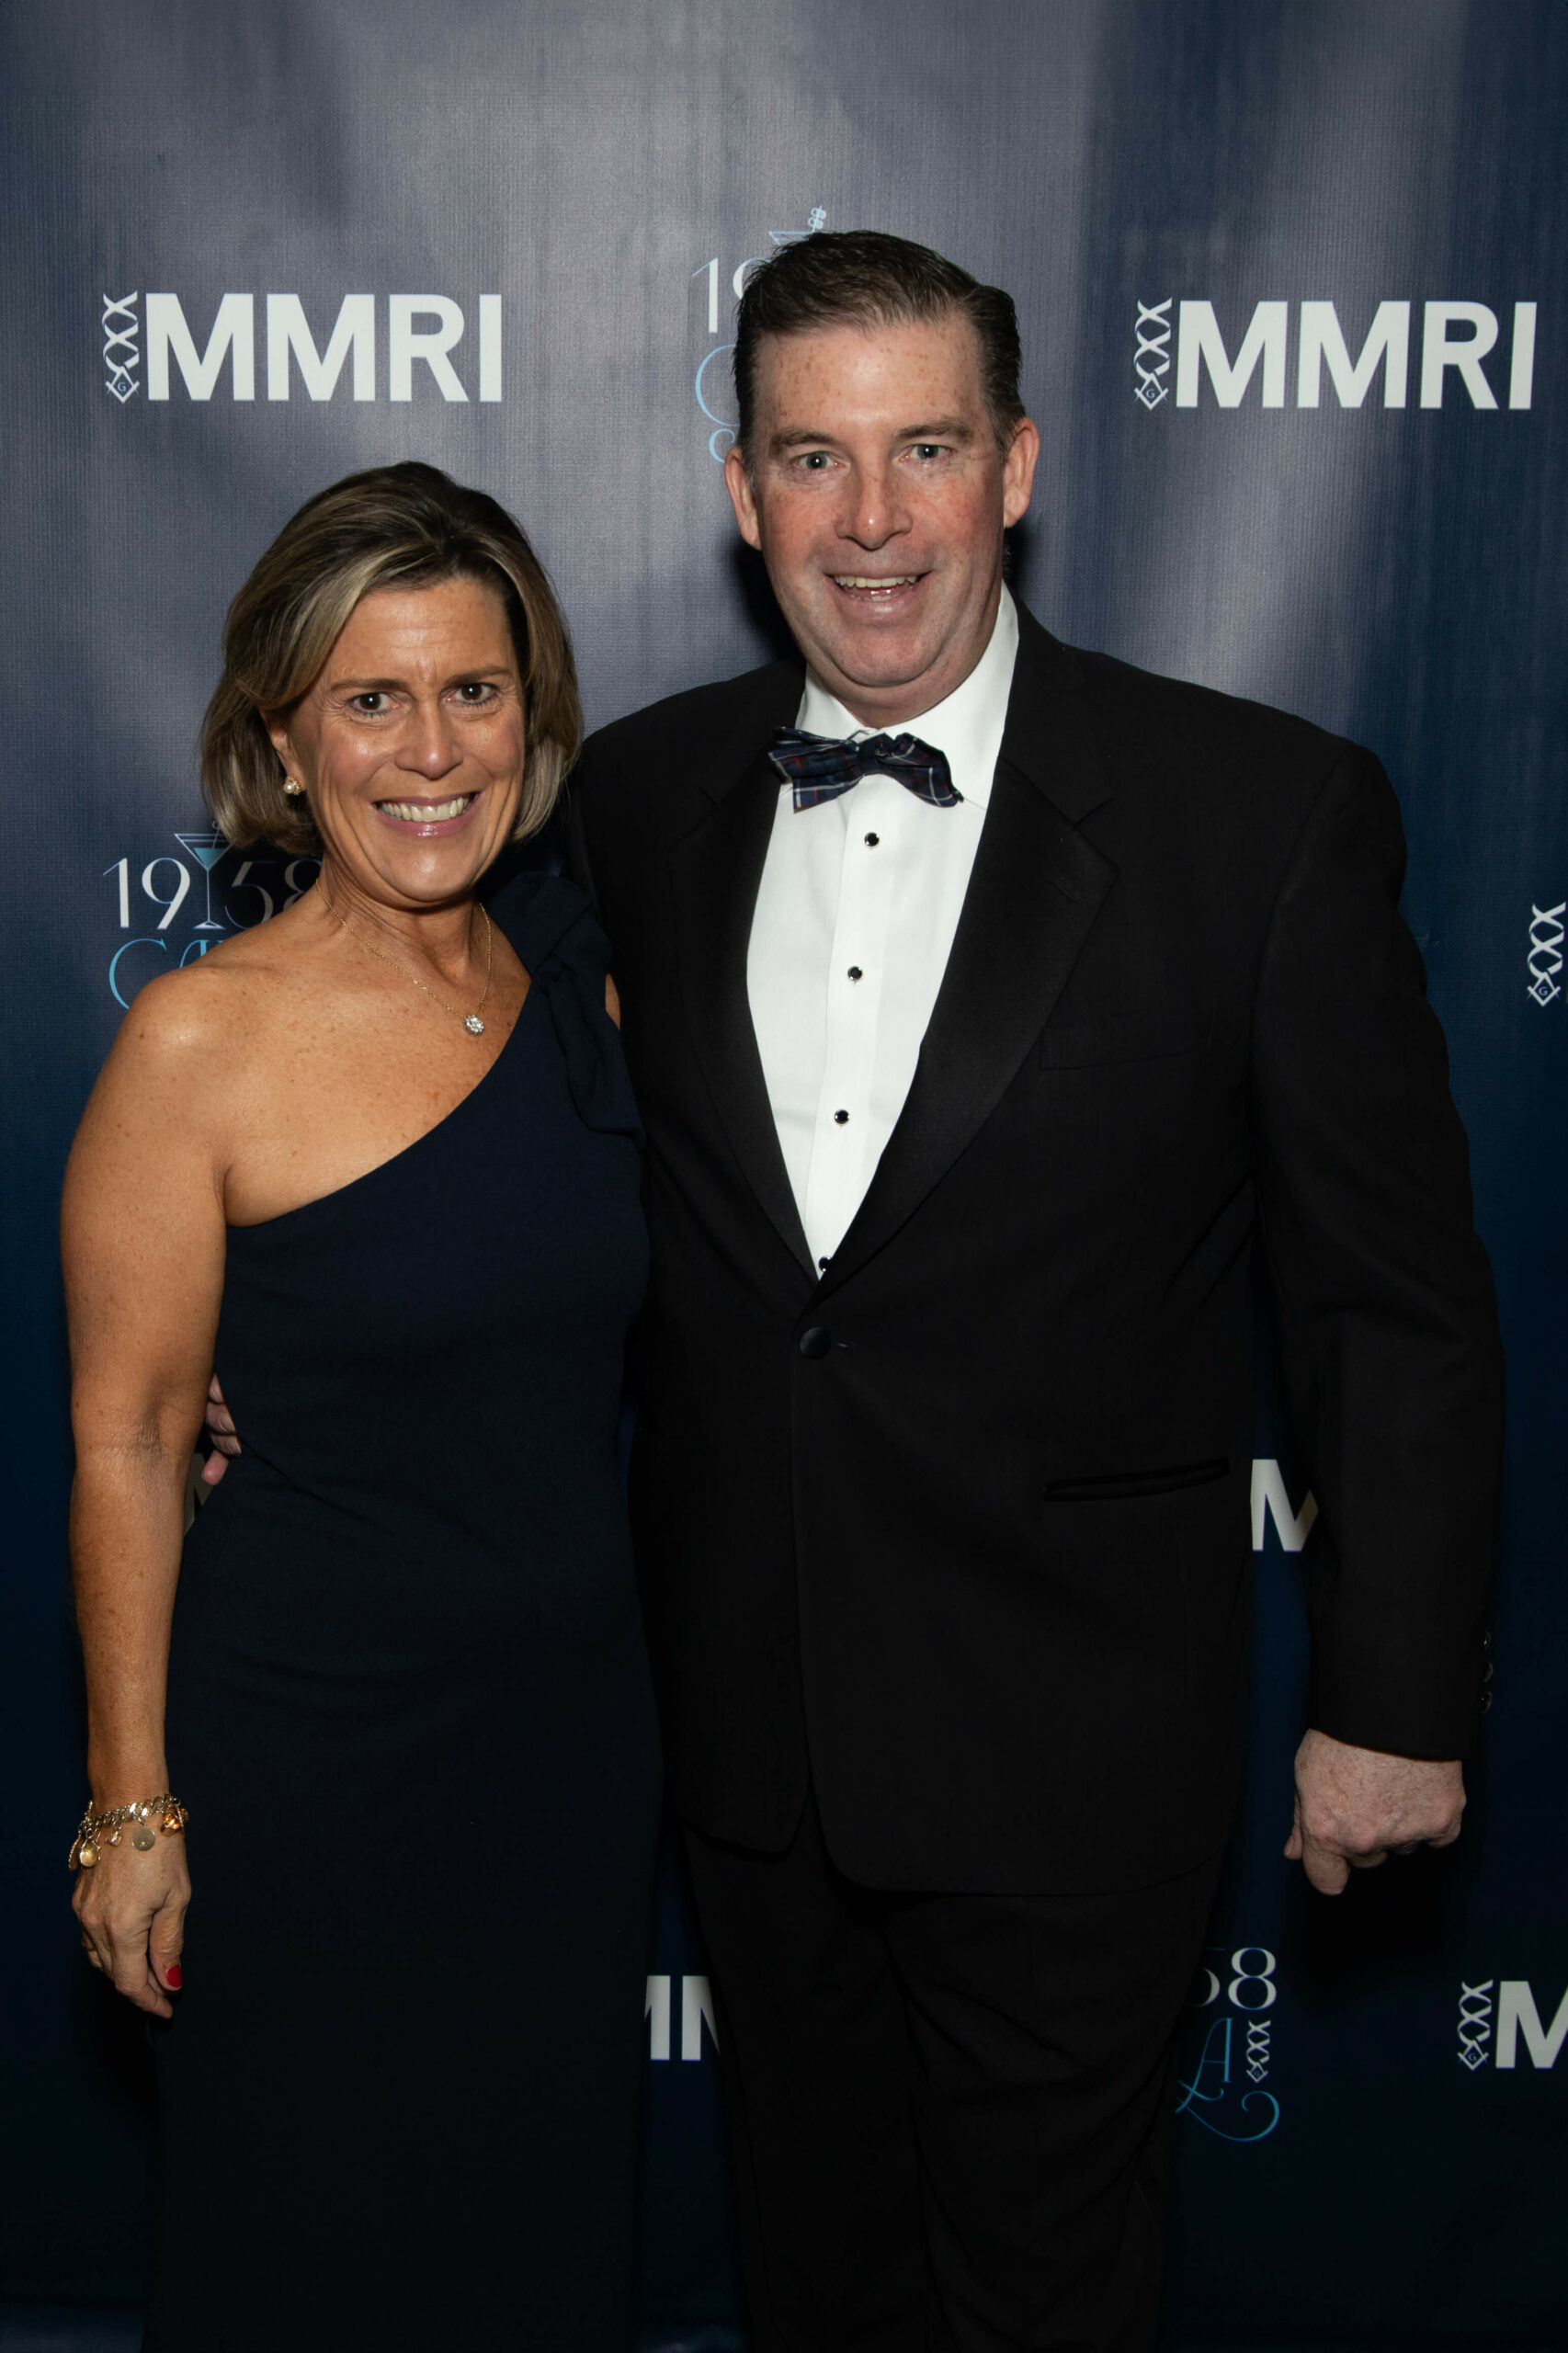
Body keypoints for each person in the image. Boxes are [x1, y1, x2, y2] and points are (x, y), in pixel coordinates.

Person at [545, 233, 1505, 2349]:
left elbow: (1392, 1306)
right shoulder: (637, 794)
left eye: (924, 449)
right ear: (741, 490)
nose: (870, 519)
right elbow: (527, 1163)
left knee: (1044, 2296)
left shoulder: (1257, 814)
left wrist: (1394, 1692)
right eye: (813, 455)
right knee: (816, 2276)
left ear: (1019, 466)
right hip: (754, 1730)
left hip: (1072, 1740)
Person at [62, 462, 660, 2353]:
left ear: (531, 715)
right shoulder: (197, 1041)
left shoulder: (588, 1000)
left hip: (564, 1773)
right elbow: (132, 1438)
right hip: (312, 1775)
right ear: (283, 735)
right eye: (371, 698)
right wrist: (130, 1806)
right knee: (305, 2262)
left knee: (536, 2259)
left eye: (472, 690)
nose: (429, 747)